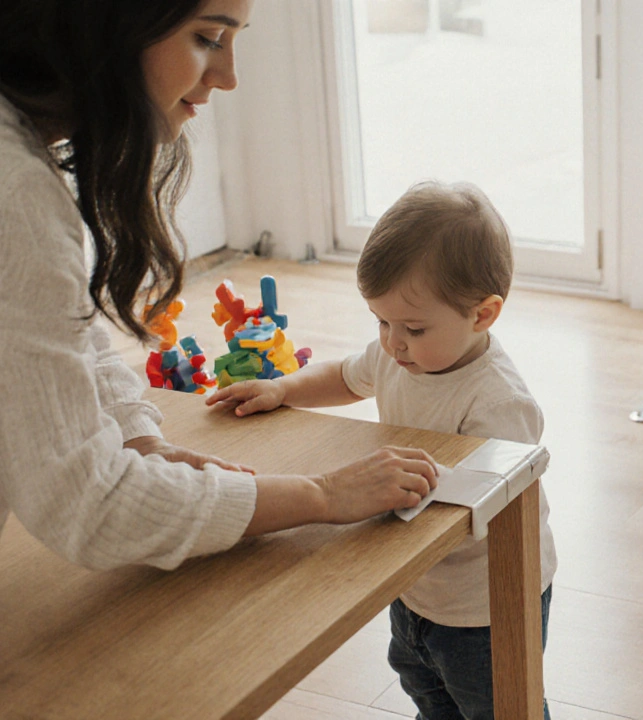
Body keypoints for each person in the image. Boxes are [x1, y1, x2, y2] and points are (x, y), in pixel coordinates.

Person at [0, 0, 439, 573]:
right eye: (209, 38)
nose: (229, 77)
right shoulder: (18, 197)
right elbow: (91, 504)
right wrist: (321, 496)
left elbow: (57, 333)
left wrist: (141, 441)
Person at [204, 181, 557, 720]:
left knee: (499, 708)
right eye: (381, 322)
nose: (392, 342)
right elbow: (346, 376)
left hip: (485, 603)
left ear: (483, 315)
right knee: (425, 691)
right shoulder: (400, 355)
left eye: (412, 327)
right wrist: (284, 388)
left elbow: (488, 501)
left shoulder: (499, 402)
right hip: (415, 587)